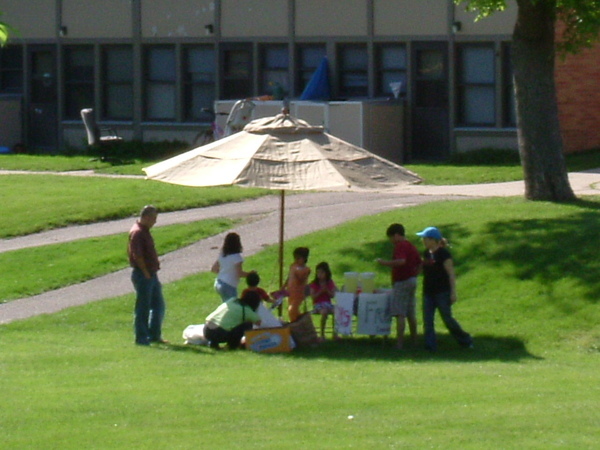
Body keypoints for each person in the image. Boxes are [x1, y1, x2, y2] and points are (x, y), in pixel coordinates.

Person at [416, 226, 473, 352]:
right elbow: (422, 270)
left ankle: (465, 339)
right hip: (428, 292)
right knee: (428, 321)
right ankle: (430, 347)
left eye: (425, 238)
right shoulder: (426, 254)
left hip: (442, 292)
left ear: (433, 240)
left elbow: (451, 274)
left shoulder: (444, 254)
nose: (423, 241)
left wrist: (453, 292)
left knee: (447, 319)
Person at [377, 223, 422, 350]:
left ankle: (399, 343)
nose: (391, 241)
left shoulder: (400, 246)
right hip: (412, 281)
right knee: (411, 312)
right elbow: (420, 264)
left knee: (400, 313)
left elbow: (401, 261)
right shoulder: (411, 246)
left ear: (397, 235)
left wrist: (385, 263)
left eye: (391, 238)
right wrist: (414, 275)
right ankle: (414, 341)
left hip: (402, 282)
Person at [127, 205, 167, 345]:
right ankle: (142, 338)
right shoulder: (138, 233)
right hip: (144, 274)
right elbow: (137, 256)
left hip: (151, 274)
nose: (155, 222)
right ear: (146, 217)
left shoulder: (145, 231)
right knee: (143, 308)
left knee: (158, 306)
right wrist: (145, 272)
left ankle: (154, 335)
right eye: (153, 218)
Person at [211, 232, 251, 302]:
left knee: (225, 306)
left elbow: (214, 269)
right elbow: (239, 274)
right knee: (233, 306)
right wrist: (250, 274)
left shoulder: (222, 254)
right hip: (229, 285)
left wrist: (225, 271)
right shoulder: (237, 257)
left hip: (219, 282)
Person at [309, 261, 338, 340]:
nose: (319, 275)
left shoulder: (329, 282)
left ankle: (335, 333)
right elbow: (313, 297)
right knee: (324, 312)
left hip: (328, 303)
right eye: (318, 273)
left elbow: (332, 295)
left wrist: (327, 291)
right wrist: (320, 291)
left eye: (322, 273)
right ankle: (322, 334)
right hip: (318, 305)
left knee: (337, 311)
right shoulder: (314, 284)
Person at [283, 247, 311, 322]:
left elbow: (302, 280)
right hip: (291, 292)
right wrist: (284, 286)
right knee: (292, 311)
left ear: (304, 259)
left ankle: (296, 323)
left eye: (298, 258)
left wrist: (297, 273)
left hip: (299, 293)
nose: (296, 260)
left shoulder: (306, 269)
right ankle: (295, 323)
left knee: (292, 310)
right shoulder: (293, 266)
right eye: (295, 258)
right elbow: (289, 276)